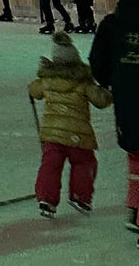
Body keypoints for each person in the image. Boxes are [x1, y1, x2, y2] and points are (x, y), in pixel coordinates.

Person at [29, 30, 112, 218]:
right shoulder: (83, 81)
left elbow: (35, 90)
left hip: (52, 134)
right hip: (78, 135)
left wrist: (31, 89)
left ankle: (47, 198)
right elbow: (100, 99)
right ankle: (80, 196)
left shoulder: (47, 80)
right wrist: (108, 93)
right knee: (84, 162)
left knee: (50, 165)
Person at [89, 0, 139, 242]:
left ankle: (134, 208)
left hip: (127, 105)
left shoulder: (112, 24)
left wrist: (111, 82)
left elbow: (98, 61)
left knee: (136, 158)